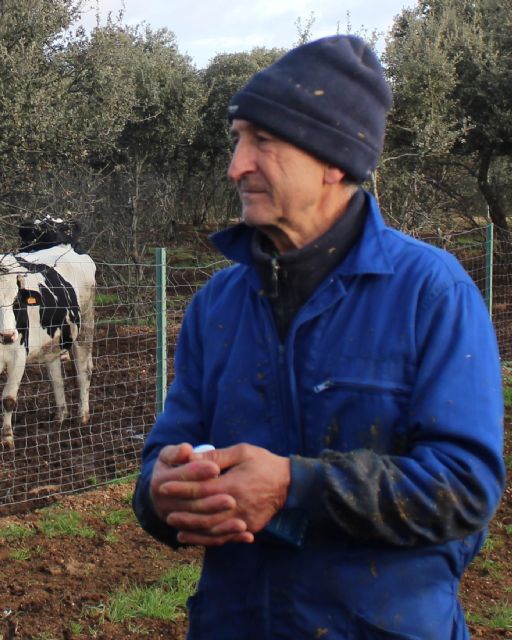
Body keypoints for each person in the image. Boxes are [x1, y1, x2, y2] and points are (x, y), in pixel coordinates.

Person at [132, 34, 505, 639]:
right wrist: (163, 493)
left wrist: (293, 487)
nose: (236, 166)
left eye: (264, 141)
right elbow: (165, 455)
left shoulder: (430, 293)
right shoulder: (216, 307)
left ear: (334, 160)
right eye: (237, 140)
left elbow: (464, 486)